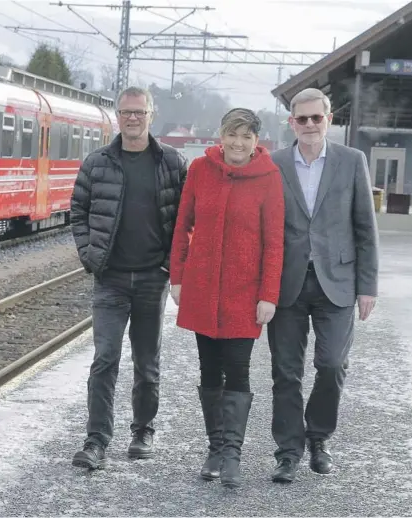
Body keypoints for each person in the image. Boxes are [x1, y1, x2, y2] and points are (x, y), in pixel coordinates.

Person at [69, 86, 188, 470]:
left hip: (154, 278)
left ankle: (142, 431)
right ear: (117, 117)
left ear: (151, 114)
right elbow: (78, 212)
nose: (132, 118)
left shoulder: (172, 163)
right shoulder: (97, 163)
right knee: (105, 358)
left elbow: (187, 219)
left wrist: (174, 264)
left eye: (139, 112)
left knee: (147, 362)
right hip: (111, 279)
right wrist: (90, 257)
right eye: (125, 112)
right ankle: (96, 439)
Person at [169, 108, 285, 488]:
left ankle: (232, 454)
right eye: (231, 134)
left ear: (256, 141)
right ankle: (215, 448)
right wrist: (178, 277)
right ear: (220, 135)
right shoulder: (200, 172)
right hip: (203, 289)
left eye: (246, 136)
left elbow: (274, 242)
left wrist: (268, 294)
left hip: (243, 294)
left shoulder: (268, 178)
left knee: (237, 369)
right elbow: (182, 224)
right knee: (208, 369)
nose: (238, 142)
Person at [268, 88, 379, 483]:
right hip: (288, 283)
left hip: (339, 282)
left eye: (317, 118)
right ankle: (288, 450)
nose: (310, 125)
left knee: (331, 364)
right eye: (303, 119)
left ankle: (318, 438)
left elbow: (365, 226)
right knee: (286, 371)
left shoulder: (352, 161)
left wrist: (368, 286)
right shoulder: (275, 163)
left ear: (329, 119)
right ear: (292, 122)